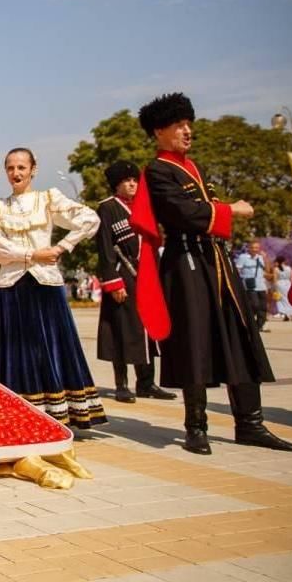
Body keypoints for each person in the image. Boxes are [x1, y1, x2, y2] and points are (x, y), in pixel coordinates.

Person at [131, 92, 292, 454]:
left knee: (240, 334)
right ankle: (196, 427)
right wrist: (229, 209)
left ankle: (250, 423)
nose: (187, 131)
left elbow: (197, 209)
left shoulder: (194, 167)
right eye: (179, 125)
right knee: (195, 340)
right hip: (186, 262)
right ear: (160, 131)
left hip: (216, 260)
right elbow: (182, 213)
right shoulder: (157, 170)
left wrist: (218, 212)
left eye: (189, 124)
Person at [0, 148, 106, 429]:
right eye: (11, 168)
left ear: (33, 169)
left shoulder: (48, 198)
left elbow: (90, 219)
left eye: (22, 167)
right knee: (18, 350)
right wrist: (32, 256)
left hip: (46, 283)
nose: (16, 173)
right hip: (13, 285)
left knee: (51, 346)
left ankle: (58, 414)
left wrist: (63, 246)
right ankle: (22, 414)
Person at [94, 160, 176, 403]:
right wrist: (113, 281)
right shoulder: (108, 208)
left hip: (148, 274)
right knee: (122, 329)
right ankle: (122, 384)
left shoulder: (145, 206)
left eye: (134, 180)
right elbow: (105, 247)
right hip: (124, 272)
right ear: (116, 185)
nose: (132, 184)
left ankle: (147, 383)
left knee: (148, 327)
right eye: (126, 181)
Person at [235, 240, 269, 332]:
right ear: (249, 248)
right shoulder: (243, 257)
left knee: (263, 307)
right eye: (253, 247)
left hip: (261, 286)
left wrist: (265, 258)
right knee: (254, 305)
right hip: (250, 286)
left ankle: (259, 326)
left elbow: (268, 270)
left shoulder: (260, 257)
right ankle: (249, 322)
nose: (255, 249)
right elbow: (237, 270)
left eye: (257, 248)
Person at [272, 256, 292, 321]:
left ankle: (286, 315)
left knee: (282, 300)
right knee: (289, 300)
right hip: (288, 284)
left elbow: (275, 279)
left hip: (280, 284)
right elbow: (291, 278)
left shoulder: (276, 269)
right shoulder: (289, 268)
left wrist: (274, 288)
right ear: (284, 261)